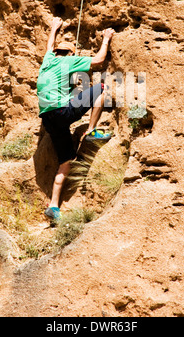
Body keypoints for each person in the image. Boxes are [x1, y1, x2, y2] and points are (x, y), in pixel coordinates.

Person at [37, 17, 115, 220]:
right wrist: (106, 39)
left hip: (48, 118)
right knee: (102, 89)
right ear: (70, 54)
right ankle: (91, 131)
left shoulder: (48, 60)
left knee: (66, 161)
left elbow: (49, 46)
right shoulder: (69, 60)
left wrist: (54, 27)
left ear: (56, 52)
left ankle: (54, 206)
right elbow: (98, 61)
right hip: (61, 112)